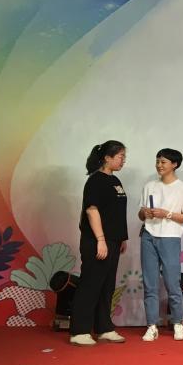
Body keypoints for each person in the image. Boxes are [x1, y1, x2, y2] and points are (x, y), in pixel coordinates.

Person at [69, 141, 129, 346]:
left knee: (107, 285)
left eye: (124, 156)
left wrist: (121, 238)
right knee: (91, 284)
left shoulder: (115, 180)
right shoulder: (95, 181)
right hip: (96, 241)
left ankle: (104, 328)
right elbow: (92, 210)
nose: (123, 160)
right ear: (107, 158)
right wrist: (101, 240)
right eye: (120, 156)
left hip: (113, 241)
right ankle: (80, 331)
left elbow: (115, 212)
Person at [138, 148, 183, 342]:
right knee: (150, 283)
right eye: (157, 161)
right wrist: (145, 213)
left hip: (170, 237)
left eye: (163, 162)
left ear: (174, 164)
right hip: (148, 235)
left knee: (172, 282)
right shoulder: (149, 186)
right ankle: (152, 325)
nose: (159, 165)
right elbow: (140, 214)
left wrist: (166, 214)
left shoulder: (182, 188)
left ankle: (178, 322)